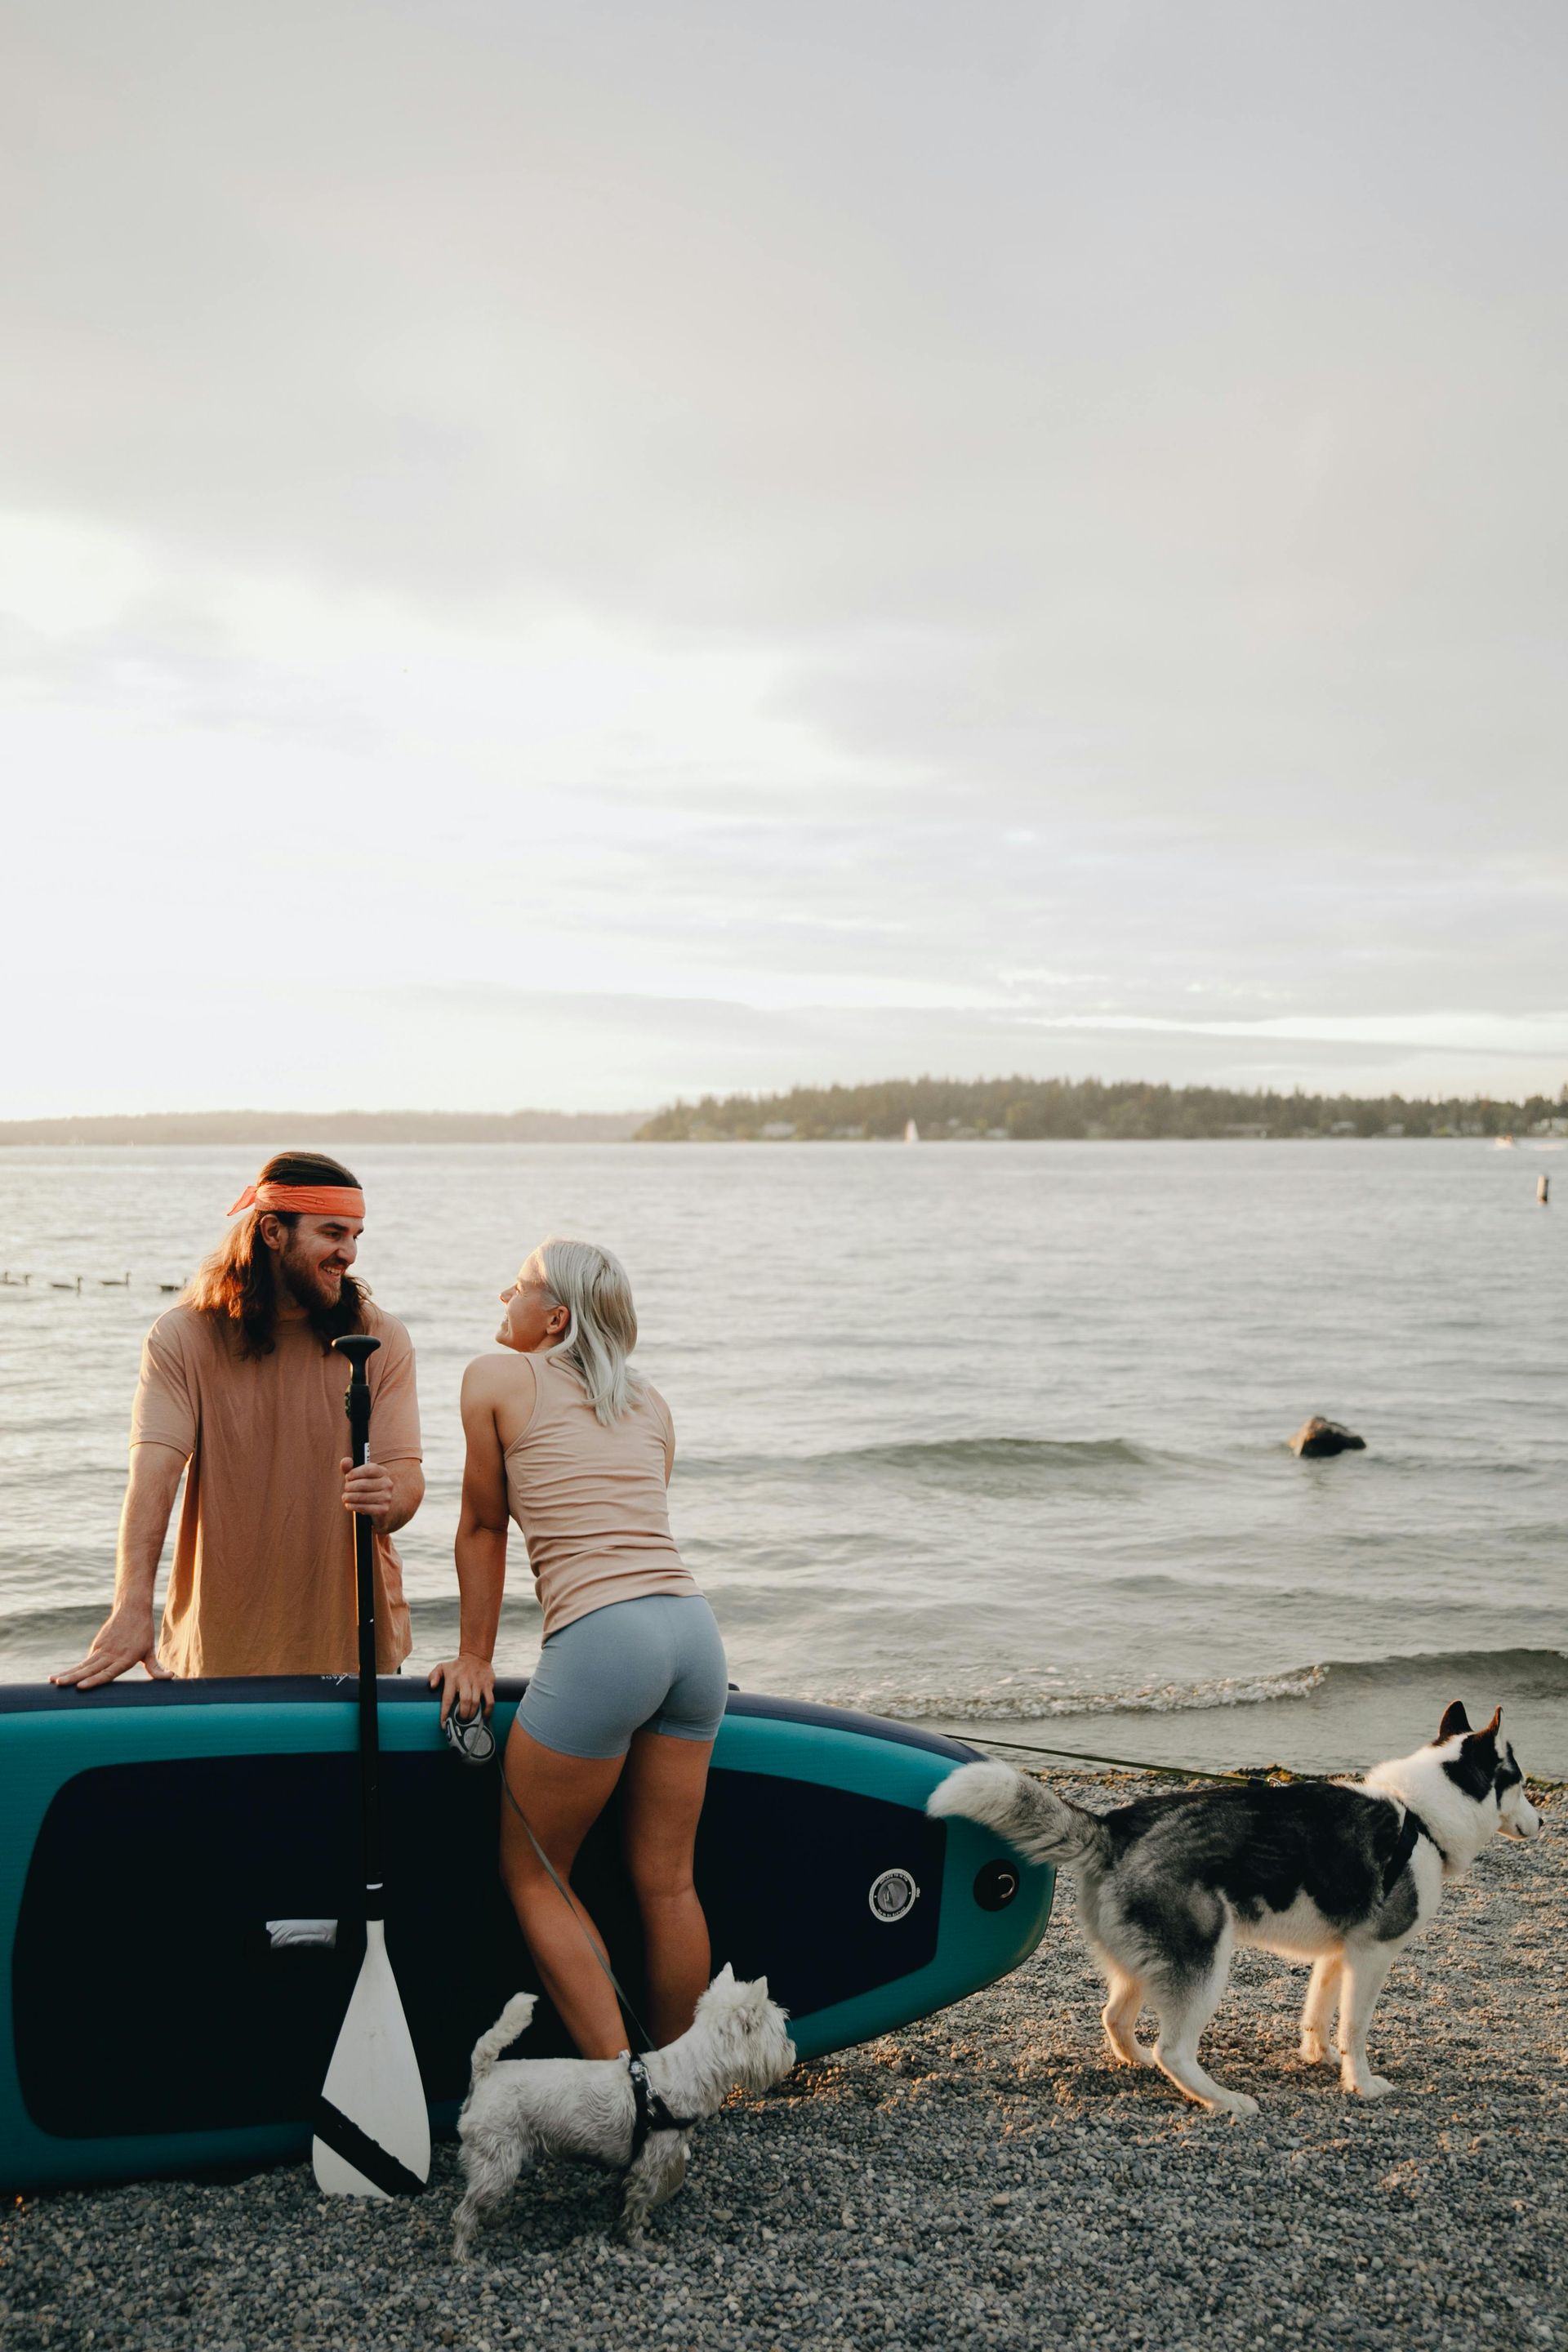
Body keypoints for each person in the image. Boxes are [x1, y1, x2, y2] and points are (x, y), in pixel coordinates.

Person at [430, 1237, 726, 2057]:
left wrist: (475, 1656)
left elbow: (486, 1526)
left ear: (554, 1315)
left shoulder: (493, 1380)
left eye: (517, 1286)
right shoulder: (653, 1402)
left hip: (607, 1641)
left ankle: (624, 2092)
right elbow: (632, 1525)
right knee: (669, 1883)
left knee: (536, 1873)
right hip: (692, 1636)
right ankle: (679, 2090)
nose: (503, 1296)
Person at [53, 1151, 425, 1686]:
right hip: (217, 1648)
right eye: (333, 1233)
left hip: (356, 1648)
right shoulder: (183, 1337)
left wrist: (390, 1498)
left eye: (356, 1236)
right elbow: (153, 1479)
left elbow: (406, 1478)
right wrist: (132, 1607)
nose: (349, 1253)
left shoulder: (379, 1337)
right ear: (273, 1231)